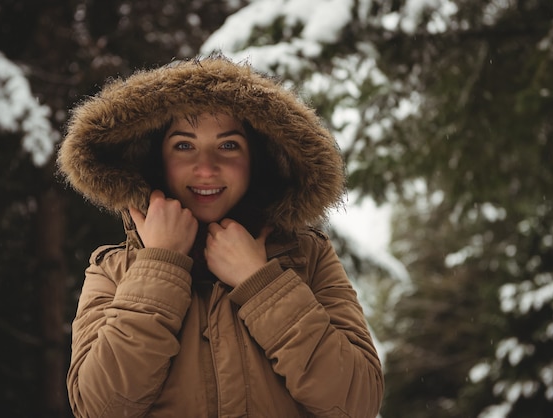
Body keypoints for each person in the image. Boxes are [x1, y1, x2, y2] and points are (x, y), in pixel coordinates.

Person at [57, 54, 384, 418]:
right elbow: (100, 408)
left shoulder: (307, 257)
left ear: (257, 160)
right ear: (156, 160)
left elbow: (358, 403)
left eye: (229, 145)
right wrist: (159, 266)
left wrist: (260, 283)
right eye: (184, 145)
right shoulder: (114, 270)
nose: (206, 167)